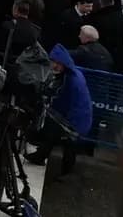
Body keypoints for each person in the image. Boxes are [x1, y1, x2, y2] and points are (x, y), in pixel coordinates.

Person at [26, 45, 92, 176]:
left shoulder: (71, 81)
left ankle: (61, 169)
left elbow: (67, 102)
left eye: (57, 63)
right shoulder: (73, 75)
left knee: (66, 143)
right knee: (57, 138)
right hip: (76, 118)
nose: (54, 66)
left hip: (75, 121)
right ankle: (52, 163)